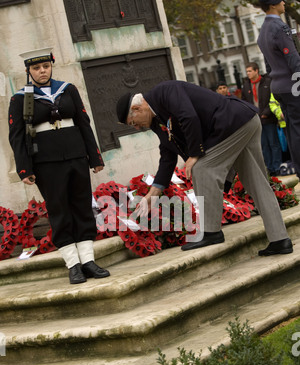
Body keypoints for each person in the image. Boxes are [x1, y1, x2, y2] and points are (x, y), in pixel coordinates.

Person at [116, 80, 292, 255]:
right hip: (243, 122)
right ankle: (280, 239)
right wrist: (151, 195)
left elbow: (188, 116)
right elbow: (168, 155)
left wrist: (194, 154)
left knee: (200, 168)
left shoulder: (164, 91)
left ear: (138, 109)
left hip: (233, 122)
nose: (137, 127)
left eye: (133, 123)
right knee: (257, 183)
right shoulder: (156, 120)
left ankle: (211, 232)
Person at [9, 48, 110, 284]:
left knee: (82, 207)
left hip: (75, 156)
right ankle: (73, 264)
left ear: (51, 66)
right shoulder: (20, 98)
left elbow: (83, 123)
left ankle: (88, 261)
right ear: (28, 71)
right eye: (36, 68)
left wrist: (94, 158)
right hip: (46, 163)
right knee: (59, 210)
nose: (42, 71)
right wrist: (25, 169)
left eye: (45, 66)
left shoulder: (68, 90)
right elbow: (15, 136)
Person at [257, 0, 300, 177]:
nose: (284, 2)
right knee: (297, 129)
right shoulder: (280, 27)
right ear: (274, 5)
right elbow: (293, 59)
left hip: (278, 86)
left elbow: (268, 65)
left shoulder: (263, 31)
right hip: (292, 85)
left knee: (291, 130)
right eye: (281, 0)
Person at [241, 62, 282, 176]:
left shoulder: (267, 82)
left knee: (273, 143)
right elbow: (244, 102)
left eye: (250, 71)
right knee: (263, 145)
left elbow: (272, 99)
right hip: (255, 120)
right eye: (247, 71)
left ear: (256, 70)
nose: (248, 73)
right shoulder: (246, 86)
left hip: (268, 119)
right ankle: (269, 168)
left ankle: (277, 166)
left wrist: (266, 113)